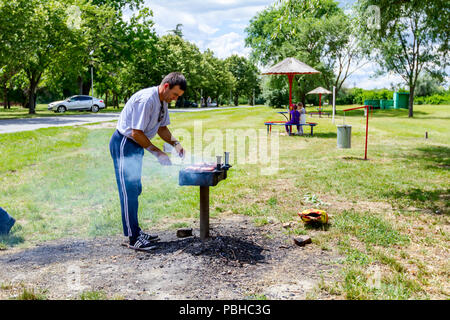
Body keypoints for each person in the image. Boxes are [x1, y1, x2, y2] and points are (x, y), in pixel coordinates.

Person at [109, 72, 186, 251]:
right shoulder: (147, 100)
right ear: (166, 86)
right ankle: (133, 238)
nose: (174, 99)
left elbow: (162, 128)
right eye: (174, 94)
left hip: (136, 145)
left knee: (135, 189)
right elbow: (136, 132)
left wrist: (175, 143)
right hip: (124, 143)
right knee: (128, 191)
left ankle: (136, 230)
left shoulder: (163, 102)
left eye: (178, 97)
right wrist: (158, 153)